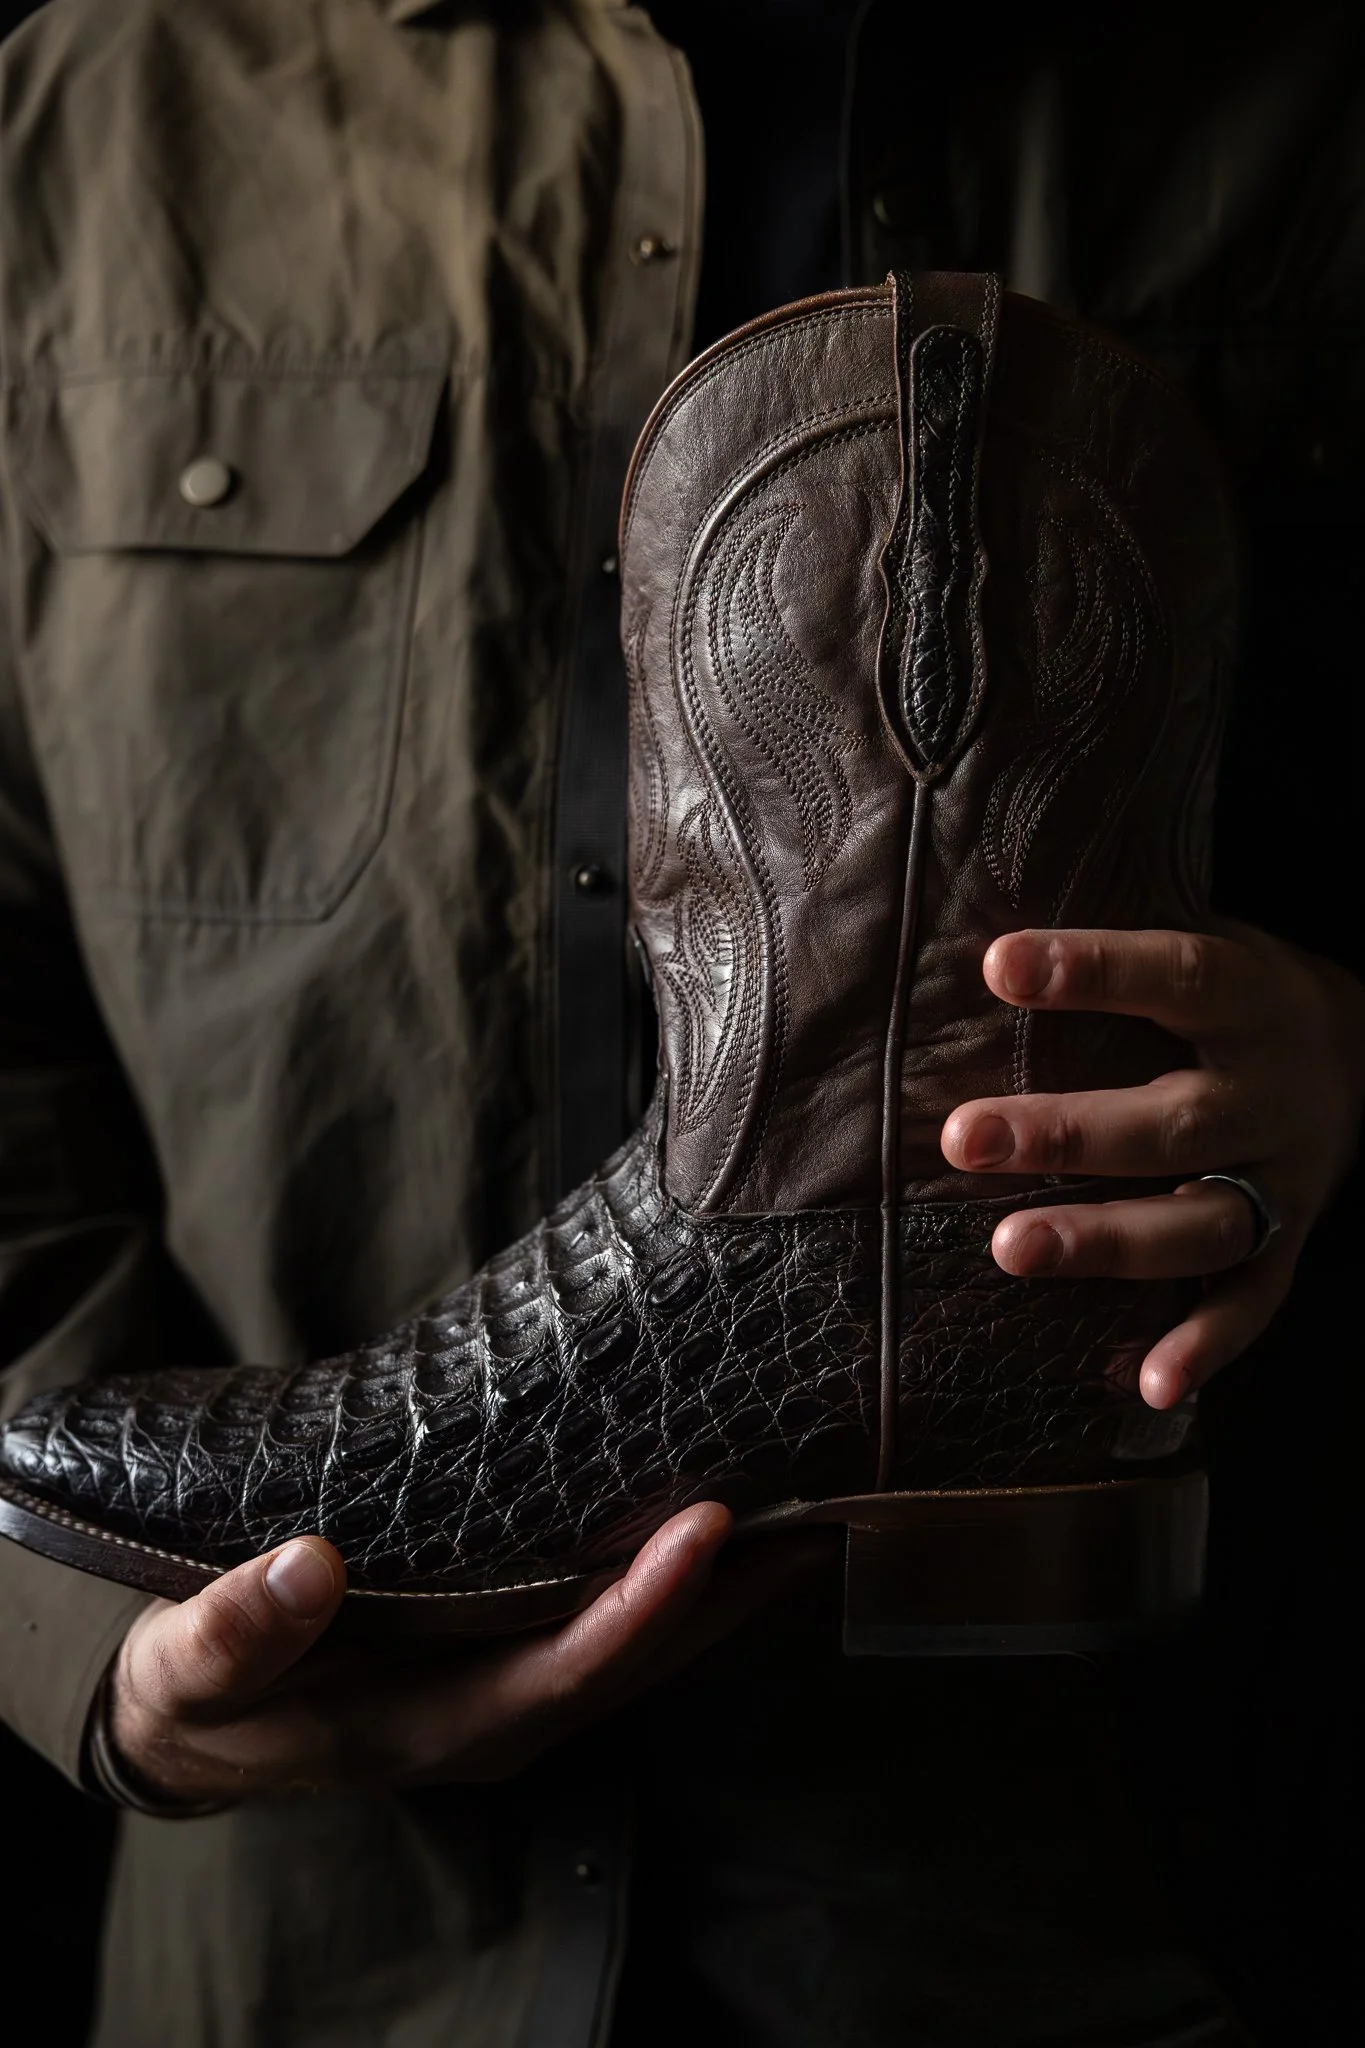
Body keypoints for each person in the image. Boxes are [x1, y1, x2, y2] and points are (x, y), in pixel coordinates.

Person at [0, 2, 1361, 2043]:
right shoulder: (92, 103)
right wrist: (81, 1640)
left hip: (1094, 1890)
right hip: (329, 1959)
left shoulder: (1294, 99)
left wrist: (1350, 1063)